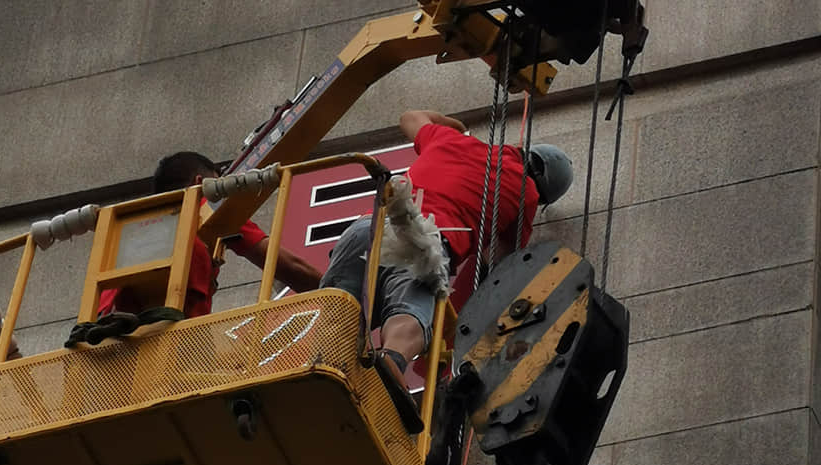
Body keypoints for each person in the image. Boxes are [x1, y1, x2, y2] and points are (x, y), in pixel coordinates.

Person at [319, 109, 572, 429]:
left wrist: (458, 127)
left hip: (371, 225)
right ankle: (393, 360)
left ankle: (311, 366)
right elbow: (499, 263)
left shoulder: (450, 140)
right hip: (424, 243)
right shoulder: (527, 193)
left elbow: (409, 116)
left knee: (336, 312)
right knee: (411, 312)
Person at [75, 151, 320, 344]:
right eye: (220, 183)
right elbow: (289, 267)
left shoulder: (125, 229)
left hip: (102, 345)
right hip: (176, 343)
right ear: (201, 182)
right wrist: (342, 292)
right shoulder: (207, 208)